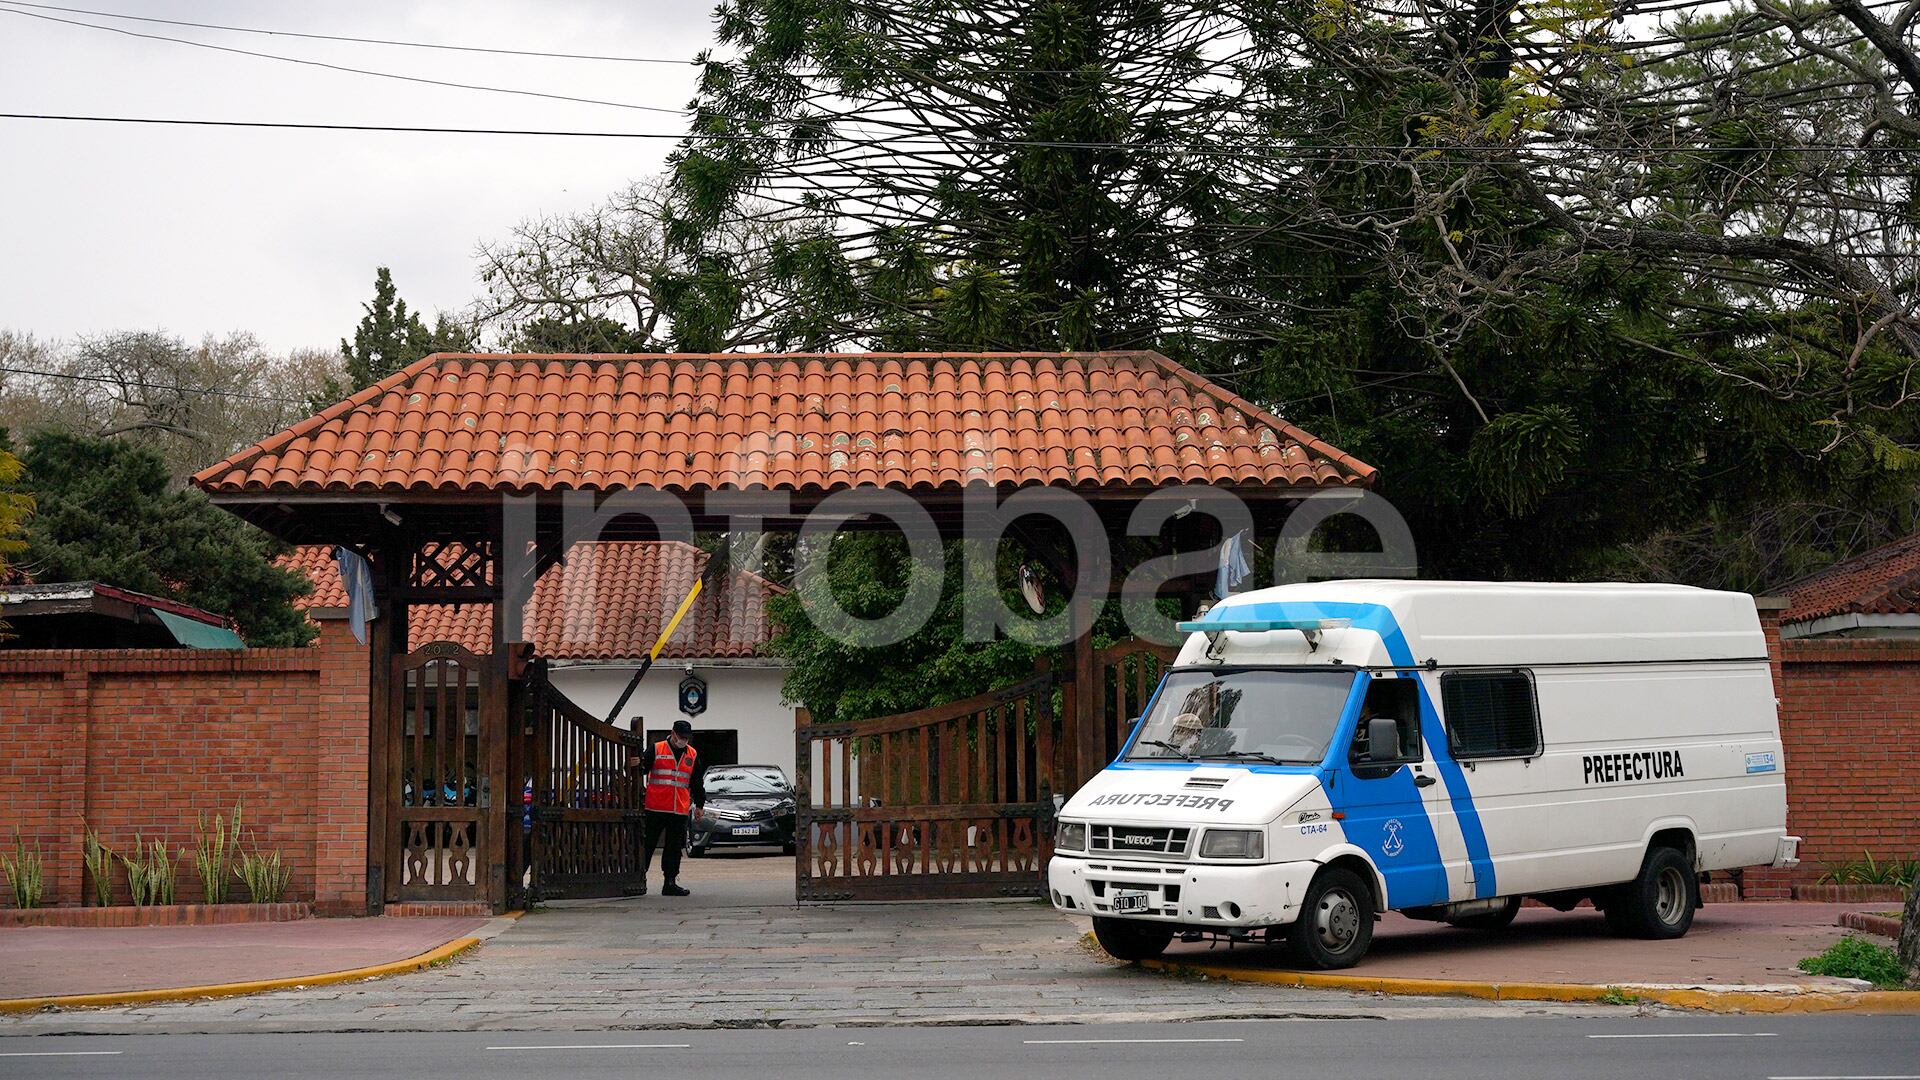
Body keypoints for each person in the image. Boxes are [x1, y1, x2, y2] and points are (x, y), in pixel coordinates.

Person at [637, 719, 703, 896]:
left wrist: (700, 805)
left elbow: (697, 782)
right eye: (681, 736)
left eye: (686, 737)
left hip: (679, 809)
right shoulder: (657, 749)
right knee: (648, 845)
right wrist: (635, 764)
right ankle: (637, 880)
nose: (683, 740)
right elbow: (640, 770)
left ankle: (670, 882)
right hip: (655, 807)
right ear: (672, 733)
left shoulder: (692, 754)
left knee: (674, 848)